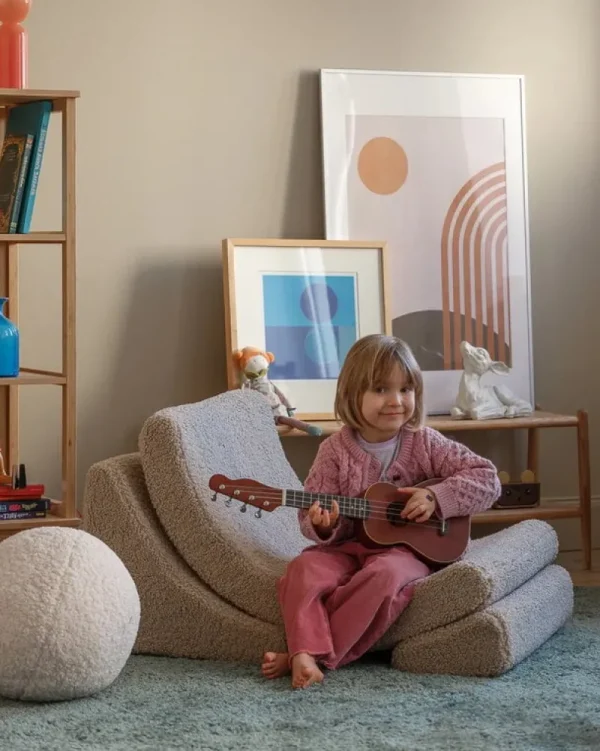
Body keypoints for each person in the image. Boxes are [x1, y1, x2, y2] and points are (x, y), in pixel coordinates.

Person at [261, 334, 501, 689]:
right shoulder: (334, 451)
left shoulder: (425, 442)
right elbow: (311, 518)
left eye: (406, 389)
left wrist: (437, 497)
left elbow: (487, 479)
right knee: (304, 568)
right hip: (347, 548)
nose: (396, 401)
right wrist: (323, 525)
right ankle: (305, 651)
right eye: (380, 390)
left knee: (385, 576)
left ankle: (309, 653)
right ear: (351, 394)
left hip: (406, 553)